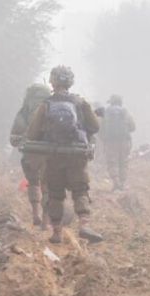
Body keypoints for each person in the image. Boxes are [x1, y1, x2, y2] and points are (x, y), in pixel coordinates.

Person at [24, 65, 102, 245]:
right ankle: (84, 224)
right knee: (80, 190)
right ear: (70, 82)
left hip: (54, 157)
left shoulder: (46, 105)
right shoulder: (80, 102)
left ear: (52, 82)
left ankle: (57, 233)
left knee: (55, 194)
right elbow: (95, 126)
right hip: (77, 156)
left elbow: (32, 134)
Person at [10, 82, 52, 226]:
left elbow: (14, 138)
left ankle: (35, 213)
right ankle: (45, 220)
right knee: (47, 185)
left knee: (33, 182)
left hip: (30, 153)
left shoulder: (25, 111)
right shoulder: (53, 107)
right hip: (50, 153)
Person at [100, 94, 136, 191]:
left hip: (110, 142)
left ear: (111, 102)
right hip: (124, 141)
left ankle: (116, 182)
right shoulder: (126, 112)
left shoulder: (106, 112)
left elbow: (101, 129)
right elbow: (133, 127)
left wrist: (104, 139)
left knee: (112, 162)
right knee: (123, 162)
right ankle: (122, 183)